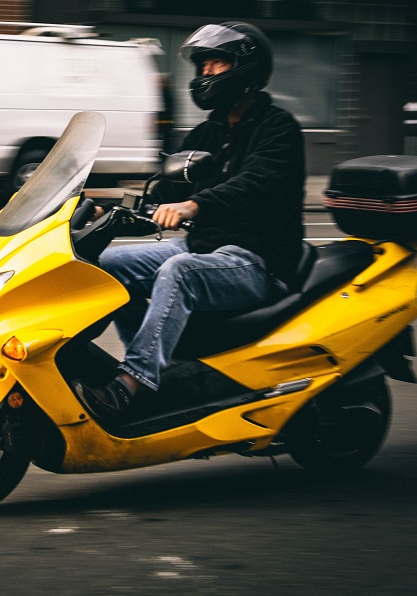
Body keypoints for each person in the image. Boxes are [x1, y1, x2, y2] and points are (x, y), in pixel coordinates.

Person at [75, 22, 306, 419]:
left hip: (258, 260)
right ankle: (156, 368)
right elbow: (164, 190)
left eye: (218, 63)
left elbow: (254, 185)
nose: (206, 73)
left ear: (247, 70)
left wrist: (193, 207)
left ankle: (133, 382)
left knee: (180, 270)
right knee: (107, 267)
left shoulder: (278, 129)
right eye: (203, 65)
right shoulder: (208, 132)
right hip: (206, 247)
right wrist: (104, 210)